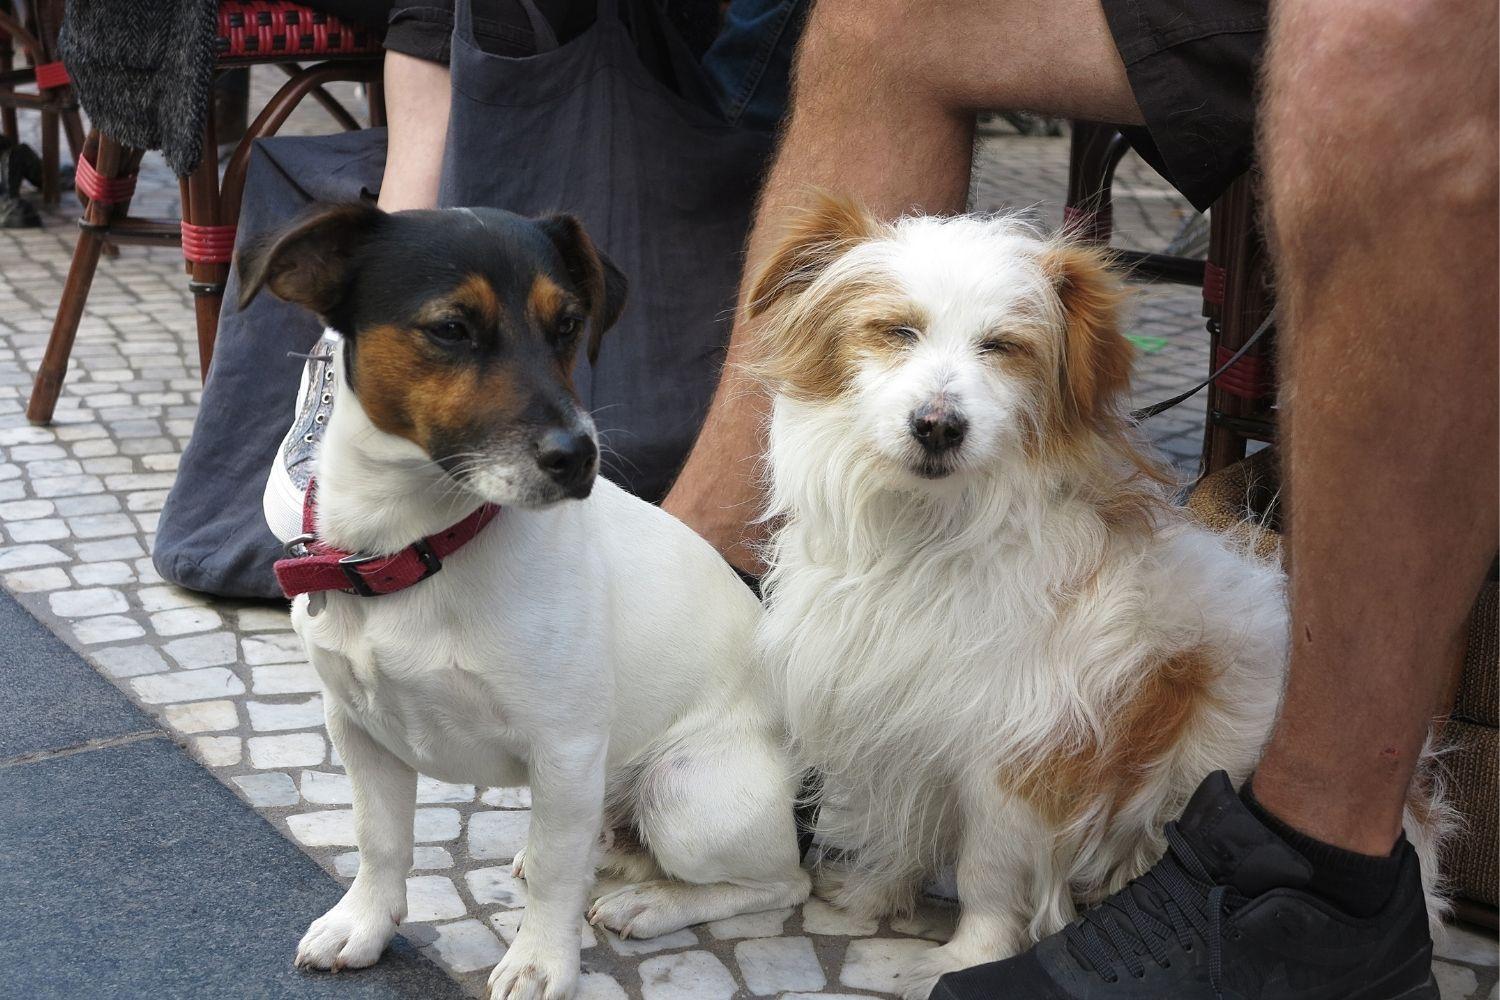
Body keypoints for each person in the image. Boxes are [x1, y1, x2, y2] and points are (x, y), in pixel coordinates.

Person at [657, 0, 1498, 996]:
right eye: (895, 331)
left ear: (1057, 375)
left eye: (1000, 349)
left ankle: (1018, 918)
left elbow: (1017, 756)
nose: (942, 402)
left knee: (1010, 736)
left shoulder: (1048, 556)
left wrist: (986, 924)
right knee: (877, 19)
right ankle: (712, 628)